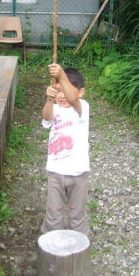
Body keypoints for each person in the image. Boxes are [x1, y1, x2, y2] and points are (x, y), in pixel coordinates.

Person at [40, 63, 90, 236]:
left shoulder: (82, 108)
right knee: (53, 215)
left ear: (81, 92)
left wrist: (61, 76)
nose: (62, 96)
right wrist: (49, 99)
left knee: (77, 216)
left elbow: (73, 99)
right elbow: (46, 118)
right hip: (55, 172)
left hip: (79, 174)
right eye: (58, 91)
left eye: (65, 90)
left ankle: (78, 249)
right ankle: (51, 247)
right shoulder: (55, 109)